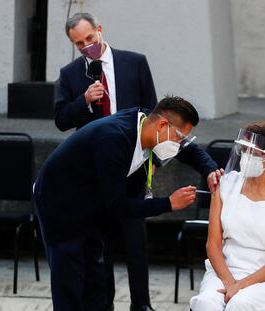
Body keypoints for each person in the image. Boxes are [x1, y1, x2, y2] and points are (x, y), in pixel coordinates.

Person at [34, 96, 223, 311]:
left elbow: (189, 149)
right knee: (70, 284)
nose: (179, 145)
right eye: (179, 138)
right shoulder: (114, 139)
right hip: (61, 205)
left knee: (97, 282)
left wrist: (210, 169)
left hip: (92, 205)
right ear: (162, 125)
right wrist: (168, 203)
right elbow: (117, 205)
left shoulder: (146, 121)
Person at [54, 12, 158, 311]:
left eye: (89, 38)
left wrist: (149, 159)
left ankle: (142, 304)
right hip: (93, 173)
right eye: (79, 44)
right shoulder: (71, 74)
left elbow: (151, 112)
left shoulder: (134, 62)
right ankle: (104, 305)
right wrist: (83, 100)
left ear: (99, 30)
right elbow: (61, 120)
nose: (86, 46)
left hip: (132, 167)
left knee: (136, 243)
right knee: (100, 246)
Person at [190, 121, 265, 311]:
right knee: (206, 303)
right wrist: (230, 283)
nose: (246, 156)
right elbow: (213, 244)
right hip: (226, 268)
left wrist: (241, 286)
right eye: (244, 150)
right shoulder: (227, 183)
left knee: (240, 304)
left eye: (253, 152)